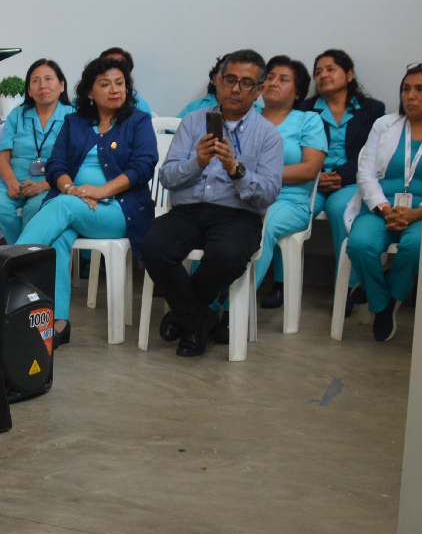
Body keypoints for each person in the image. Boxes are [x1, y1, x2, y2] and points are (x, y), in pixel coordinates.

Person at [142, 50, 283, 356]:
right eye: (230, 79)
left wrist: (236, 169)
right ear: (219, 81)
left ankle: (186, 316)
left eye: (246, 83)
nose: (235, 89)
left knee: (228, 255)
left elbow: (269, 192)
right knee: (153, 246)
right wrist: (197, 162)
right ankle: (199, 318)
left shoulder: (268, 135)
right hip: (188, 210)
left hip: (237, 214)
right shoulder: (192, 123)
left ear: (258, 90)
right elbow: (166, 177)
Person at [16, 56, 157, 346]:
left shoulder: (138, 121)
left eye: (120, 83)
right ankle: (58, 323)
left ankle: (9, 269)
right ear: (90, 92)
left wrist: (100, 191)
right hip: (76, 204)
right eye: (105, 84)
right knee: (55, 241)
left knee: (61, 208)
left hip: (119, 211)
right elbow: (56, 165)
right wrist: (72, 189)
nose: (115, 89)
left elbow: (143, 166)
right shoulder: (75, 122)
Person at [345, 63, 422, 341]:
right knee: (360, 244)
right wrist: (384, 209)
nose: (411, 96)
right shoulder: (384, 125)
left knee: (417, 245)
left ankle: (383, 294)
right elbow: (366, 172)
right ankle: (383, 302)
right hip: (381, 206)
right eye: (406, 89)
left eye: (421, 89)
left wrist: (416, 214)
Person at [302, 49, 387, 314]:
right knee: (298, 211)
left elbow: (373, 153)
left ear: (349, 75)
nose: (323, 75)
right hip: (312, 181)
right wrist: (317, 175)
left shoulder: (373, 109)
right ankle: (280, 284)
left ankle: (347, 289)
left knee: (341, 210)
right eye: (318, 72)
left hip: (350, 182)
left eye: (330, 69)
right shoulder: (305, 109)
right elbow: (298, 147)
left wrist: (341, 176)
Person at [254, 57, 326, 310]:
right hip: (243, 195)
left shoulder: (309, 121)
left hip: (289, 201)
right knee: (212, 223)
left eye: (283, 80)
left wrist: (259, 175)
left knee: (262, 226)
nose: (273, 82)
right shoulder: (247, 115)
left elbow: (309, 168)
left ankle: (231, 307)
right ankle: (202, 303)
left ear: (297, 92)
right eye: (270, 77)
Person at [0, 59, 75, 243]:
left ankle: (20, 258)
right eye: (36, 81)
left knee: (36, 208)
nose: (43, 85)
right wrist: (11, 183)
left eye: (49, 79)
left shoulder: (73, 117)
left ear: (62, 85)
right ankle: (25, 256)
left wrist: (43, 185)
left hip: (52, 182)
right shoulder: (17, 115)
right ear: (29, 91)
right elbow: (2, 157)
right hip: (15, 181)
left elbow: (76, 162)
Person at [99, 47, 153, 116]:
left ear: (129, 73)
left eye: (121, 66)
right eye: (109, 66)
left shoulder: (140, 106)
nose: (115, 70)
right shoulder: (84, 100)